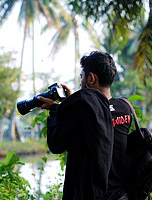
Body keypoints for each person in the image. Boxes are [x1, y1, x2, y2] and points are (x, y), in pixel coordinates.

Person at [38, 51, 130, 199]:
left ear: (91, 78)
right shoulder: (124, 107)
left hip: (89, 194)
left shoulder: (80, 112)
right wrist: (70, 104)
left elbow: (56, 145)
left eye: (82, 77)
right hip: (120, 194)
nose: (81, 83)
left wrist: (56, 111)